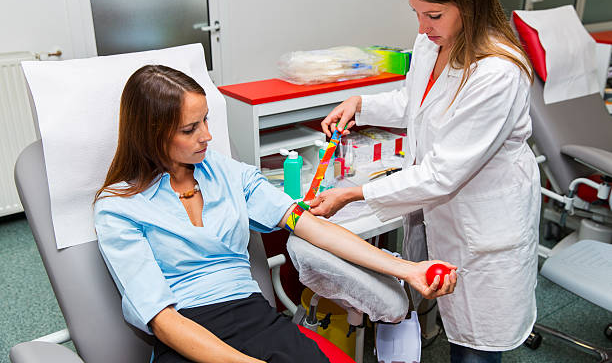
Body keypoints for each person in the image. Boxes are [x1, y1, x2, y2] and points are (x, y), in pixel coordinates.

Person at [93, 65, 457, 363]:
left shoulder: (225, 172)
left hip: (252, 316)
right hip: (185, 334)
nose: (207, 135)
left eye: (206, 121)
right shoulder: (119, 209)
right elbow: (162, 320)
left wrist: (409, 270)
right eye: (191, 129)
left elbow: (311, 227)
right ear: (152, 135)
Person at [309, 0, 541, 362]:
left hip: (485, 227)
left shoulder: (497, 72)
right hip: (445, 214)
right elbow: (413, 102)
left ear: (469, 3)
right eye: (416, 13)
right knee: (451, 327)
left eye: (432, 14)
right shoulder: (432, 41)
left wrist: (353, 193)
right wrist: (359, 104)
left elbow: (442, 174)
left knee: (477, 348)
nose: (421, 27)